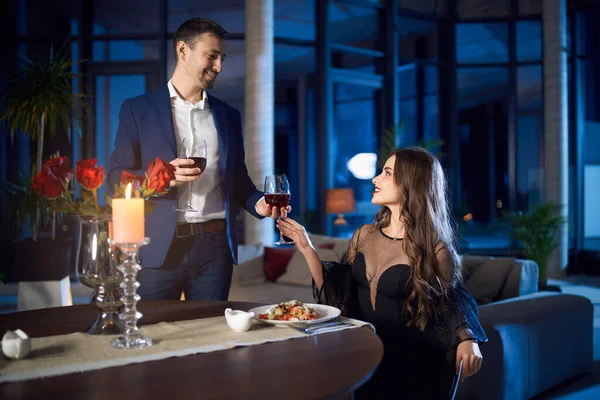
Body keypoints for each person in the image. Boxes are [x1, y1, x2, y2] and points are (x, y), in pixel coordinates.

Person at [277, 147, 488, 399]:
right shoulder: (364, 235)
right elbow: (338, 293)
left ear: (410, 183)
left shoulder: (437, 251)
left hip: (412, 370)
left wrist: (468, 339)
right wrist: (306, 247)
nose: (375, 179)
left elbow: (453, 303)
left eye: (387, 173)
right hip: (364, 360)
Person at [108, 18, 287, 301]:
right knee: (156, 334)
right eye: (212, 56)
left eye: (221, 58)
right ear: (183, 50)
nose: (219, 67)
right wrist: (161, 177)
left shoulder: (229, 116)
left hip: (214, 249)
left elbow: (238, 180)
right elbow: (114, 179)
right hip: (158, 248)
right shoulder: (137, 110)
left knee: (209, 333)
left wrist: (259, 203)